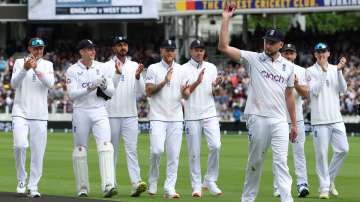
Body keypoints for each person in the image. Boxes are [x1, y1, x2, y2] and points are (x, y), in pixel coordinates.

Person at [218, 3, 297, 202]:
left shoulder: (288, 67)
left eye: (272, 42)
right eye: (266, 41)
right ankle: (248, 199)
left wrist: (294, 123)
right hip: (257, 117)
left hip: (279, 120)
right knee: (256, 161)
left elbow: (289, 96)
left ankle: (287, 199)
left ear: (281, 44)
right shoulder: (253, 59)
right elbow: (223, 47)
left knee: (281, 162)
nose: (267, 45)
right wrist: (226, 19)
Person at [65, 39, 117, 198]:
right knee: (80, 149)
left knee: (106, 146)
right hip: (81, 111)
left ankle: (108, 185)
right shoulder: (72, 70)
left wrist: (104, 86)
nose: (93, 51)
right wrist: (90, 87)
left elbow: (111, 92)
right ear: (81, 52)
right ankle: (82, 188)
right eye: (89, 49)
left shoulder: (101, 67)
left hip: (100, 110)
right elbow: (72, 95)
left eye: (93, 49)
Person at [103, 36, 147, 197]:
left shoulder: (135, 65)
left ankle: (136, 183)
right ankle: (110, 184)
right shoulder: (106, 66)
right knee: (111, 151)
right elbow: (105, 90)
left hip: (130, 115)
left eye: (125, 44)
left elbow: (142, 91)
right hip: (111, 114)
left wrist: (137, 77)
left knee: (131, 150)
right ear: (113, 48)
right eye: (119, 45)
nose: (123, 47)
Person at [11, 37, 54, 198]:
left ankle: (33, 185)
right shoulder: (18, 62)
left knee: (38, 153)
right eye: (35, 48)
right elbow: (14, 84)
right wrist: (25, 69)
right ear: (29, 49)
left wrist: (36, 69)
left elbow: (50, 84)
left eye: (41, 48)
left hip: (40, 114)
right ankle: (21, 179)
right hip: (20, 111)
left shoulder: (48, 64)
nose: (38, 51)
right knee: (20, 145)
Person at [306, 43, 349, 199]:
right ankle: (324, 188)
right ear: (315, 54)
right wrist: (324, 73)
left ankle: (329, 180)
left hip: (336, 119)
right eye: (318, 52)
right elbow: (315, 91)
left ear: (328, 53)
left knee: (343, 149)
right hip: (319, 120)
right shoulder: (309, 71)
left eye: (323, 51)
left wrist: (339, 71)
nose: (321, 54)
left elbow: (343, 89)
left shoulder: (334, 68)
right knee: (322, 155)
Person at [145, 39, 187, 199]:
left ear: (175, 52)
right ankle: (153, 181)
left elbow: (185, 94)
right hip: (157, 117)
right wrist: (164, 81)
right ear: (161, 51)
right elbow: (148, 91)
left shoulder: (182, 69)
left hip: (176, 117)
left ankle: (170, 187)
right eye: (166, 50)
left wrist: (188, 90)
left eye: (172, 50)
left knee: (174, 154)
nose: (170, 53)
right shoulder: (153, 68)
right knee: (156, 151)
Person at [181, 39, 223, 197]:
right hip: (192, 115)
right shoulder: (183, 69)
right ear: (190, 51)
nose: (199, 52)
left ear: (204, 52)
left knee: (216, 146)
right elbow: (184, 93)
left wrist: (217, 85)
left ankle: (210, 180)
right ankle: (196, 185)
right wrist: (197, 82)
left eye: (201, 50)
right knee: (194, 152)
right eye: (196, 50)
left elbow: (215, 93)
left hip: (209, 112)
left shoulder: (211, 67)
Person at [272, 44, 310, 198]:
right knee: (280, 155)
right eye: (286, 53)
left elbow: (306, 93)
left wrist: (295, 84)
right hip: (279, 118)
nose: (288, 56)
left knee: (299, 153)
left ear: (295, 55)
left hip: (297, 119)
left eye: (291, 53)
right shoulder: (274, 68)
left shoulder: (301, 71)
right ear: (282, 53)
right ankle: (278, 186)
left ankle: (302, 184)